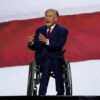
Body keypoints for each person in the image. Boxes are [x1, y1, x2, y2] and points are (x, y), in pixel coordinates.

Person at [27, 9, 68, 96]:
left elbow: (59, 45)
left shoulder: (62, 30)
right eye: (46, 15)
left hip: (56, 58)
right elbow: (36, 47)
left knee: (52, 60)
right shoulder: (40, 30)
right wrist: (31, 42)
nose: (47, 18)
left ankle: (42, 93)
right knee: (48, 60)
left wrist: (47, 41)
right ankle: (60, 93)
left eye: (50, 16)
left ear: (56, 19)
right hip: (41, 58)